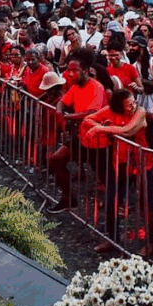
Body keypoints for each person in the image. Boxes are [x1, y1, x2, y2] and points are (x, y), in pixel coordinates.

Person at [82, 89, 153, 253]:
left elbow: (127, 130)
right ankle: (112, 239)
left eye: (134, 102)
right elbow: (87, 120)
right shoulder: (110, 111)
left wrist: (102, 129)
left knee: (146, 203)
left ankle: (150, 243)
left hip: (143, 163)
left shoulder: (140, 112)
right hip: (120, 163)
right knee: (110, 201)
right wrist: (99, 125)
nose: (133, 106)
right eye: (128, 105)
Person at [46, 48, 107, 213]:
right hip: (80, 137)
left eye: (74, 70)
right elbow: (63, 101)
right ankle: (68, 199)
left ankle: (113, 210)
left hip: (97, 139)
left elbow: (91, 113)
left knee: (106, 177)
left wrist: (68, 117)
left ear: (86, 71)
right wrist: (60, 110)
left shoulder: (97, 87)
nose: (70, 74)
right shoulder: (76, 86)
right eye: (69, 70)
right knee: (57, 160)